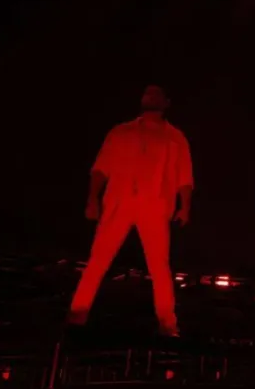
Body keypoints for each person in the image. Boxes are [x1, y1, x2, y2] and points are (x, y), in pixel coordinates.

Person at [68, 85, 193, 336]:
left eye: (156, 94)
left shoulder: (175, 138)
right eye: (147, 93)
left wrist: (184, 206)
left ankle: (167, 324)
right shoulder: (121, 132)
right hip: (120, 201)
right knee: (98, 260)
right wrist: (93, 199)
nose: (150, 97)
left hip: (155, 204)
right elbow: (101, 168)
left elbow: (184, 177)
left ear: (166, 102)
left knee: (159, 266)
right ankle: (77, 315)